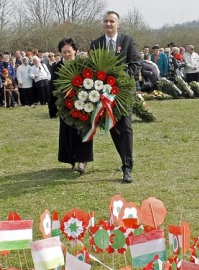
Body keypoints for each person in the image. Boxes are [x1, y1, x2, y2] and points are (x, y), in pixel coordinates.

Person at [90, 10, 140, 184]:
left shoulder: (127, 41)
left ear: (118, 24)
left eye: (112, 21)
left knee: (125, 127)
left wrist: (118, 77)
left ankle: (127, 168)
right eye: (106, 21)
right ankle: (124, 159)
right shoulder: (96, 44)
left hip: (123, 93)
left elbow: (135, 64)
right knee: (113, 128)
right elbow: (92, 67)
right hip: (104, 94)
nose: (108, 24)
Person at [52, 38, 94, 173]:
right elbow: (52, 87)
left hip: (84, 104)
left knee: (83, 132)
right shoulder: (56, 67)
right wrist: (52, 107)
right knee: (69, 133)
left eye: (69, 51)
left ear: (75, 51)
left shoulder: (83, 65)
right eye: (64, 52)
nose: (67, 54)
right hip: (65, 106)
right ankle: (72, 159)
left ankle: (82, 161)